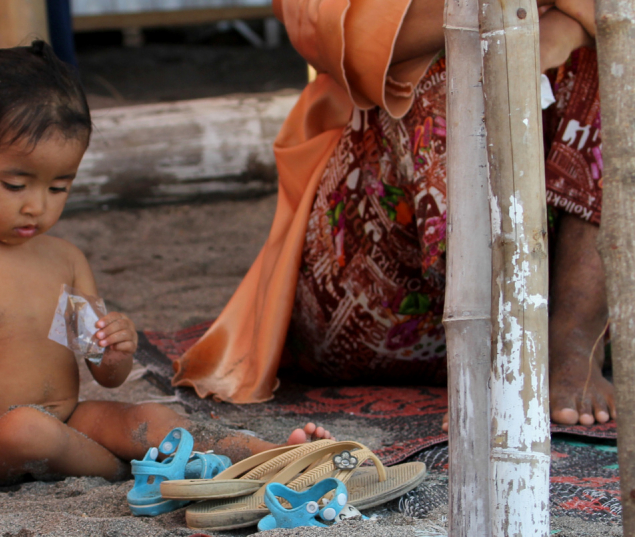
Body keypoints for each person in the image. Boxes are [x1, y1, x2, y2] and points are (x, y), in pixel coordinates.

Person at [0, 41, 331, 524]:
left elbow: (103, 371)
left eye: (59, 186)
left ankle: (271, 454)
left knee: (150, 416)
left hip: (69, 418)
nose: (37, 206)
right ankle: (134, 470)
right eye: (15, 185)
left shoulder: (65, 259)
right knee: (27, 431)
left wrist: (116, 350)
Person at [173, 0, 614, 429]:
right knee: (458, 58)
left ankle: (573, 341)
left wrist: (570, 29)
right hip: (370, 288)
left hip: (550, 289)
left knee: (615, 55)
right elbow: (324, 27)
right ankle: (497, 353)